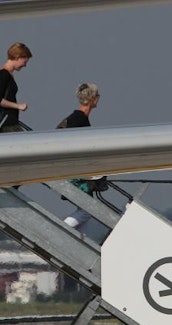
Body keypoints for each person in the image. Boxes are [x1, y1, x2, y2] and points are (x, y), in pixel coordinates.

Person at [58, 82, 105, 230]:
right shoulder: (79, 119)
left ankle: (73, 241)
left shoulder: (76, 118)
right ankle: (62, 230)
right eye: (97, 95)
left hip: (74, 171)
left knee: (86, 211)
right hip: (75, 174)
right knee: (87, 211)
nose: (99, 98)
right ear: (92, 98)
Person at [0, 42, 32, 133]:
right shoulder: (3, 75)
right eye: (24, 62)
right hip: (6, 124)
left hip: (9, 122)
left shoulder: (6, 74)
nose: (25, 65)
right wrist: (18, 106)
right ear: (17, 57)